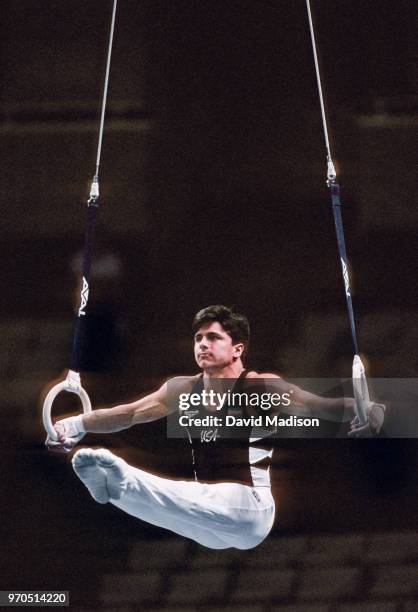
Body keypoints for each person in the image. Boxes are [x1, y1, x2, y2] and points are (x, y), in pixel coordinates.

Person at [46, 305, 385, 550]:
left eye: (212, 337)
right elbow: (130, 413)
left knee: (185, 497)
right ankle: (115, 489)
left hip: (251, 508)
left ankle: (121, 477)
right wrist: (76, 423)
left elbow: (320, 407)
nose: (202, 344)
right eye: (197, 338)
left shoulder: (262, 387)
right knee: (165, 511)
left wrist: (365, 409)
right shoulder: (181, 390)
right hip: (207, 521)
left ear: (238, 348)